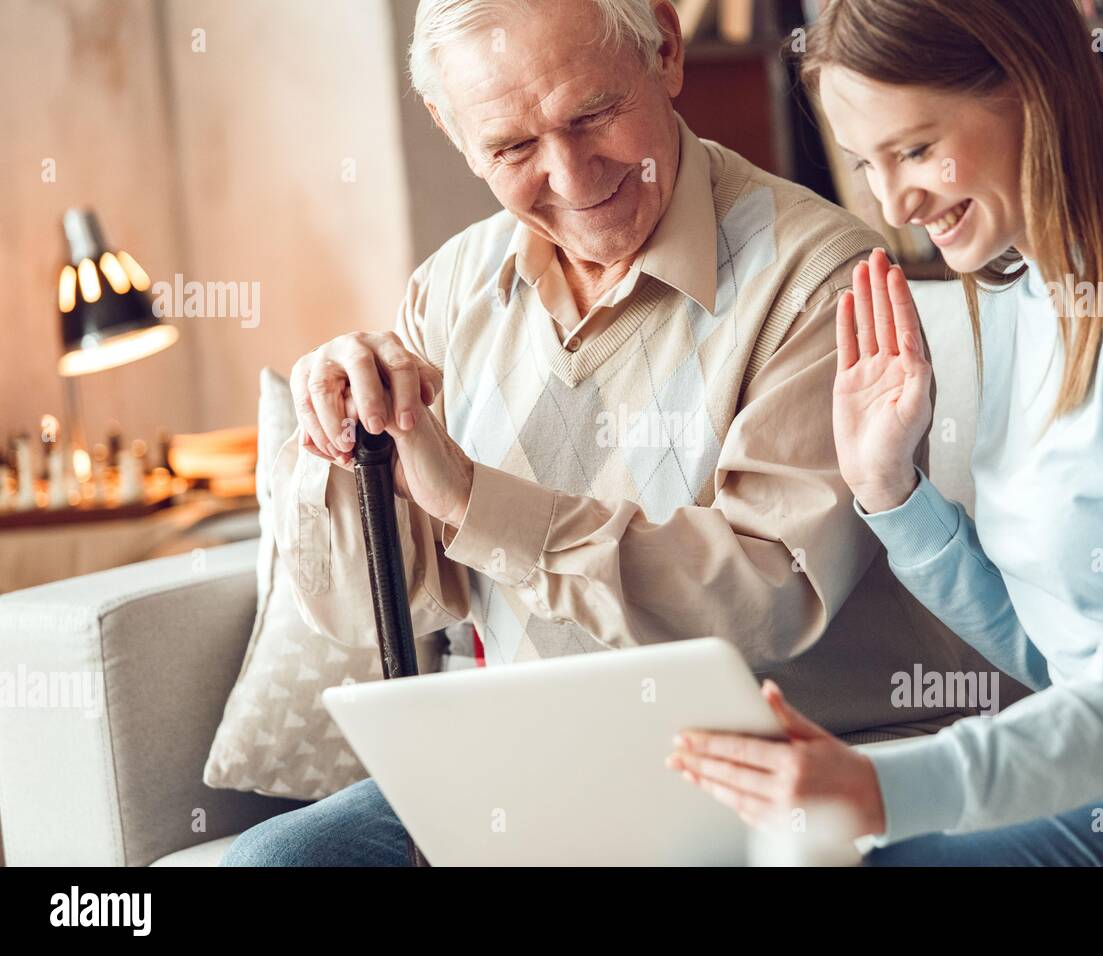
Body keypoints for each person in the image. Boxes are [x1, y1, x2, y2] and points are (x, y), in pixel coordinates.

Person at [220, 0, 1005, 867]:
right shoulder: (450, 289)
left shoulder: (823, 281)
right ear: (452, 130)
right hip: (530, 761)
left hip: (778, 764)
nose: (572, 174)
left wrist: (480, 504)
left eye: (592, 114)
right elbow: (382, 612)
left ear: (665, 51)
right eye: (512, 148)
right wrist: (343, 451)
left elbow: (763, 598)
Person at [669, 0, 1103, 866]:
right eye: (865, 163)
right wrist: (890, 490)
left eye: (917, 149)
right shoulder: (1021, 288)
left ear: (1031, 91)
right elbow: (1056, 657)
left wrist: (888, 787)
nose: (892, 200)